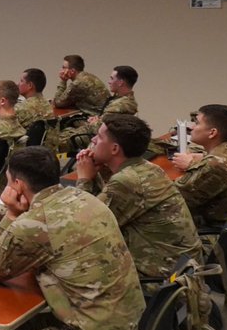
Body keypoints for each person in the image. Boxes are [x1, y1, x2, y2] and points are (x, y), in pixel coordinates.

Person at [0, 146, 144, 330]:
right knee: (27, 323)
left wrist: (12, 213)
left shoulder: (35, 223)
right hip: (134, 328)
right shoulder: (85, 198)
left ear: (18, 185)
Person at [75, 114, 203, 278]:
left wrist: (84, 179)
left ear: (114, 149)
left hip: (162, 276)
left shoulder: (127, 181)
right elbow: (106, 206)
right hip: (181, 267)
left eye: (99, 137)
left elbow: (82, 227)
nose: (93, 140)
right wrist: (99, 171)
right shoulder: (147, 167)